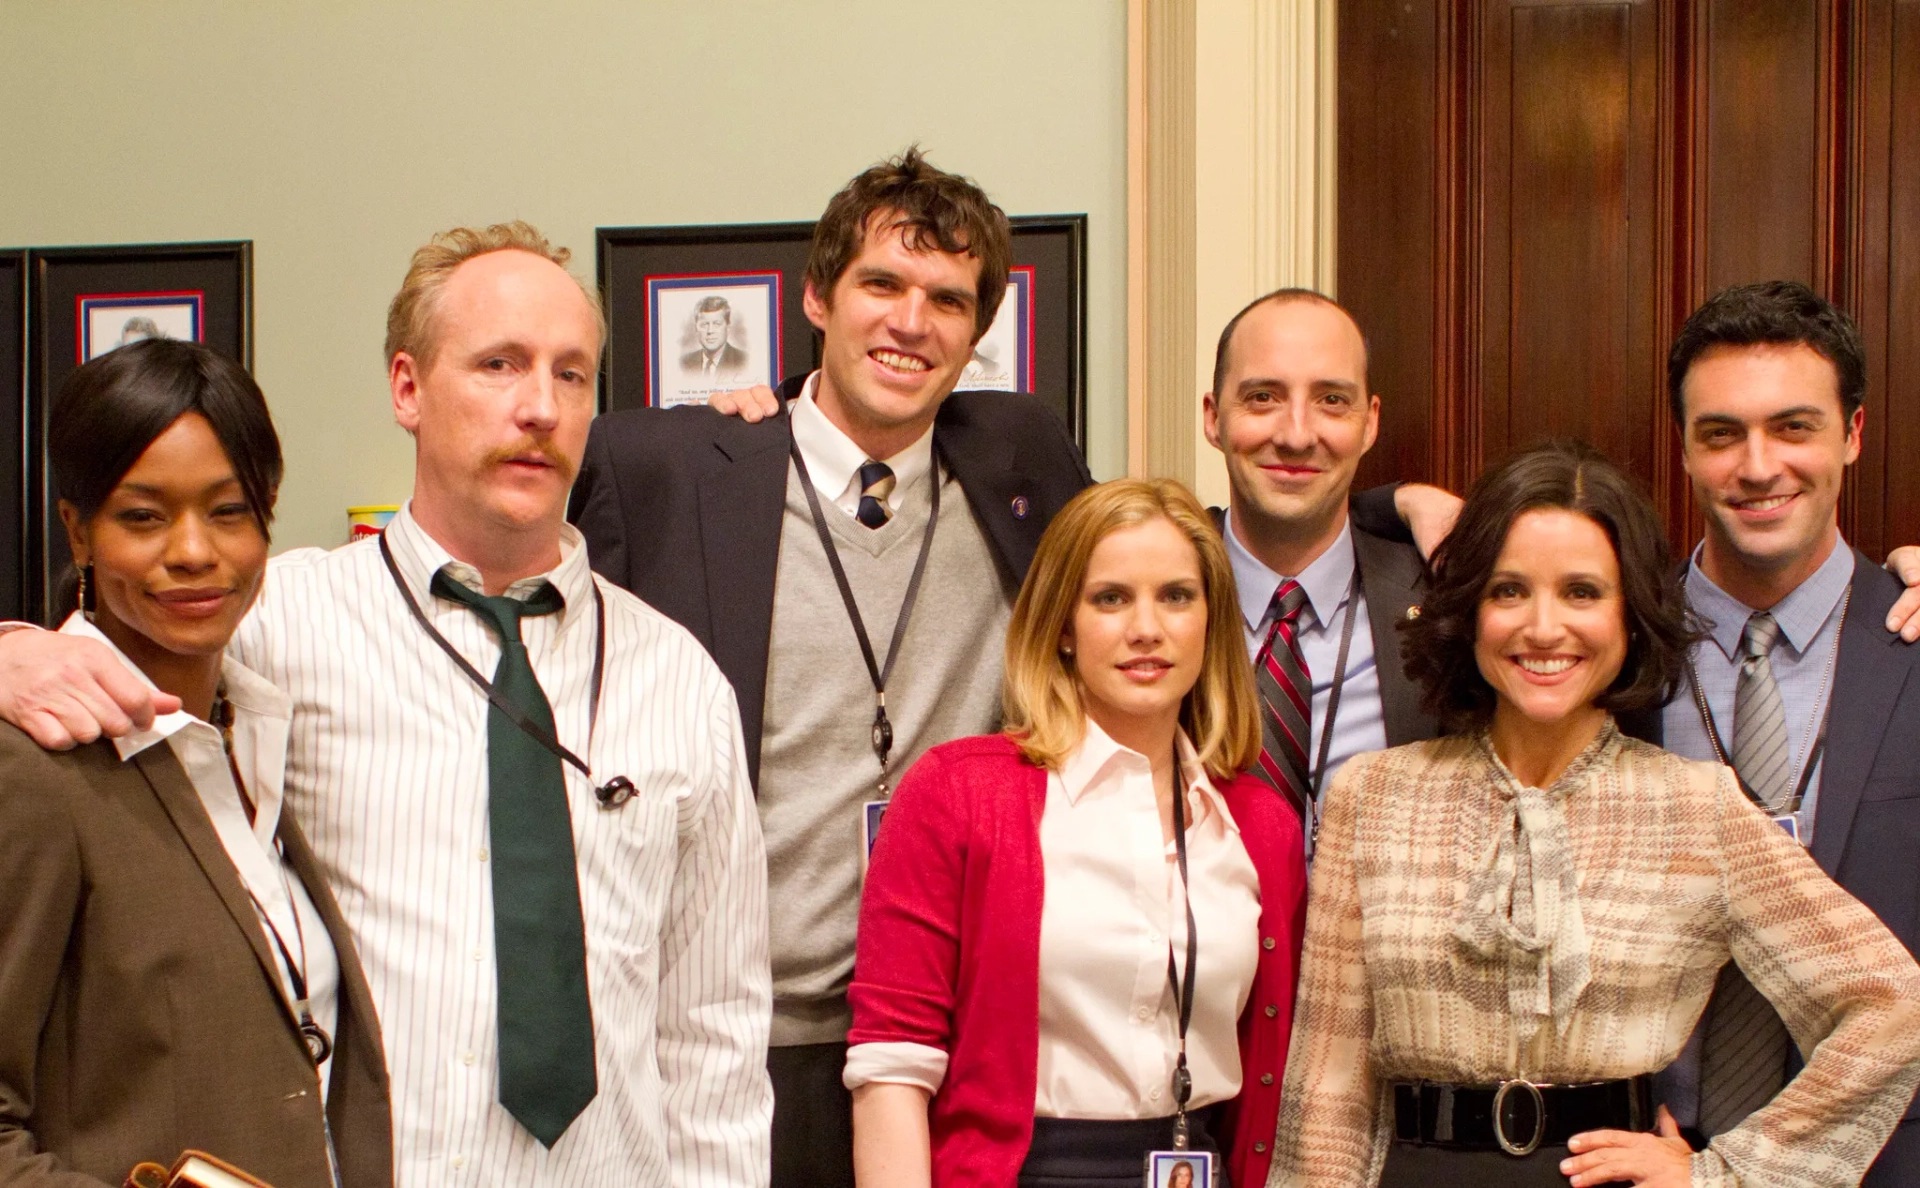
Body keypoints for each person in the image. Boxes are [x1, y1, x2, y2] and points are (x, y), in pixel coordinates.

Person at [0, 223, 772, 1186]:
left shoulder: (683, 681)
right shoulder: (273, 620)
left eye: (571, 375)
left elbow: (713, 1040)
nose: (539, 406)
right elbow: (122, 633)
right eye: (499, 364)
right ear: (407, 388)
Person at [569, 148, 1090, 1188]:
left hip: (955, 1044)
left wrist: (1391, 517)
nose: (912, 321)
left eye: (948, 298)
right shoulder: (670, 469)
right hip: (737, 1043)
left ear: (978, 332)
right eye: (882, 285)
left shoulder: (1018, 456)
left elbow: (1174, 562)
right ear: (817, 295)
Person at [1270, 440, 1920, 1187]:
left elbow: (1891, 1004)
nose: (1544, 628)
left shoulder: (1695, 808)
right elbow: (1328, 1089)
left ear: (1630, 613)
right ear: (1470, 606)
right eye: (1509, 590)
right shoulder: (1374, 795)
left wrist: (1727, 1175)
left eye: (1582, 592)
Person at [0, 339, 392, 1187]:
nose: (193, 551)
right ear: (79, 529)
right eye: (143, 516)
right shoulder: (34, 768)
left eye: (228, 511)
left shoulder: (254, 730)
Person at [845, 479, 1306, 1188]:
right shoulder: (957, 794)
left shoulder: (1258, 824)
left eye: (1176, 596)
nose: (1146, 628)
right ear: (1063, 625)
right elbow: (892, 1066)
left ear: (1211, 622)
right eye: (1110, 598)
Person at [1615, 281, 1920, 1182]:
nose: (1757, 466)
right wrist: (1393, 504)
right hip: (1652, 1155)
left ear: (1852, 437)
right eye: (1722, 434)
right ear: (1684, 449)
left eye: (1793, 427)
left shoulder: (1911, 643)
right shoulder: (1606, 653)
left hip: (1888, 1154)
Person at [1201, 289, 1443, 846]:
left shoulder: (1440, 601)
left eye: (1332, 401)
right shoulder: (1153, 596)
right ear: (1214, 419)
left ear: (1370, 422)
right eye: (1262, 397)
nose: (1296, 434)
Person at [681, 295, 751, 381]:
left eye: (717, 324)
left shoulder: (743, 361)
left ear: (728, 328)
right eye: (704, 324)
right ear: (696, 328)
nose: (710, 331)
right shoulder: (684, 363)